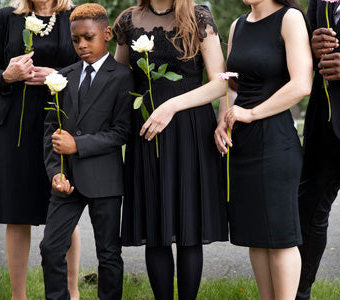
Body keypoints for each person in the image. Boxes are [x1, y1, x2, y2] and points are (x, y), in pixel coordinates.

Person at [113, 0, 228, 299]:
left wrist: (172, 106)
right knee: (156, 231)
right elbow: (119, 79)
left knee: (189, 231)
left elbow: (221, 83)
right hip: (147, 133)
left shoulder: (199, 16)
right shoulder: (129, 20)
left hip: (191, 131)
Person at [214, 0, 313, 299]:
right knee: (256, 236)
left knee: (280, 237)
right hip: (242, 142)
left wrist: (252, 113)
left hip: (275, 140)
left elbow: (302, 84)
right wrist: (223, 120)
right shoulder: (237, 25)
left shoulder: (290, 18)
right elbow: (231, 84)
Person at [0, 0, 80, 299]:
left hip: (60, 119)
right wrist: (8, 76)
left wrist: (57, 75)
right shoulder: (7, 17)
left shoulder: (74, 16)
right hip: (14, 126)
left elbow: (89, 68)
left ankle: (72, 293)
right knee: (17, 211)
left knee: (63, 205)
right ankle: (18, 296)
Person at [40, 3, 134, 300]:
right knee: (50, 248)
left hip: (104, 179)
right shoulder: (63, 76)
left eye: (88, 38)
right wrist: (55, 172)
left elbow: (121, 132)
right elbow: (50, 129)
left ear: (106, 34)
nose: (81, 45)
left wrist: (77, 145)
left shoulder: (122, 77)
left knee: (108, 253)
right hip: (66, 181)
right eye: (76, 39)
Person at [296, 1, 340, 299]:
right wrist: (308, 47)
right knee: (309, 214)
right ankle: (300, 293)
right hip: (324, 124)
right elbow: (302, 61)